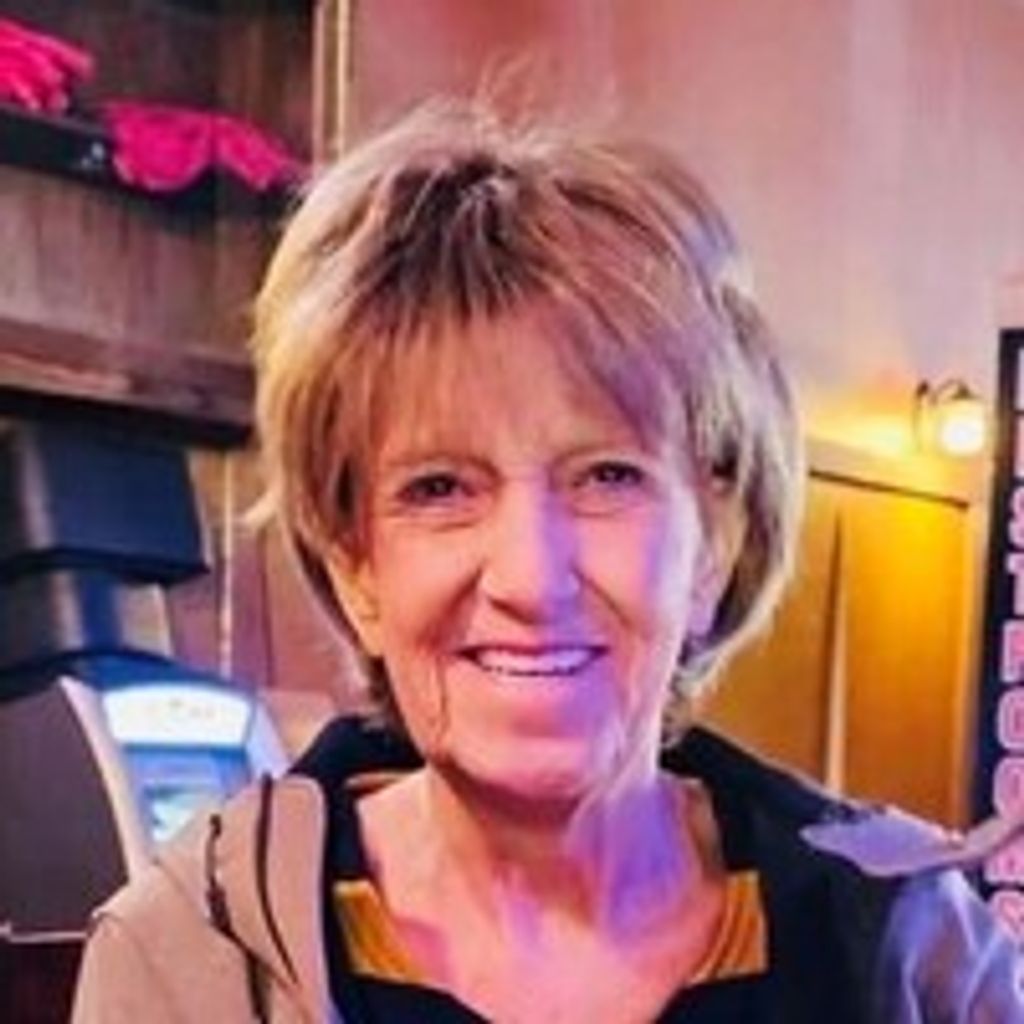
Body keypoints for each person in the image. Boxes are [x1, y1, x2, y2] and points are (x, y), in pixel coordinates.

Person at [73, 99, 1023, 1023]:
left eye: (607, 476)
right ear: (355, 567)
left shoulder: (918, 953)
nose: (530, 578)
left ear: (714, 541)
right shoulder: (190, 960)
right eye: (440, 488)